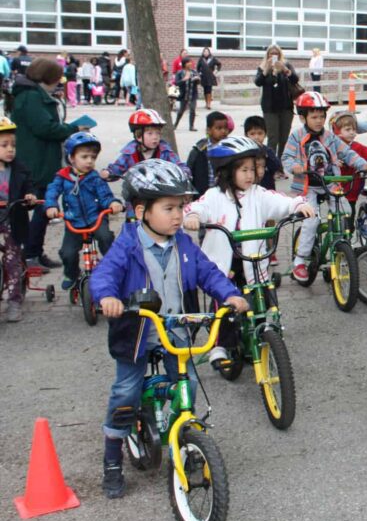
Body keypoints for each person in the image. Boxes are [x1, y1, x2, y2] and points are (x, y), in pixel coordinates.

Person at [90, 160, 248, 499]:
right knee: (126, 393)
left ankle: (184, 440)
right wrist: (107, 298)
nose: (178, 215)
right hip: (136, 335)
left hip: (175, 331)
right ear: (141, 211)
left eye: (180, 207)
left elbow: (208, 272)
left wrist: (231, 295)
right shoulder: (128, 245)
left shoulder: (184, 244)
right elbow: (104, 275)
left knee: (188, 383)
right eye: (169, 208)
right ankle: (113, 457)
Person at [183, 136, 314, 367]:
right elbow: (197, 207)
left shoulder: (258, 194)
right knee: (224, 306)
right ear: (226, 171)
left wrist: (298, 205)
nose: (250, 175)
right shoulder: (215, 196)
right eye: (243, 170)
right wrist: (193, 217)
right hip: (224, 265)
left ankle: (269, 332)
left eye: (252, 169)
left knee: (264, 296)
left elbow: (280, 202)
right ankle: (219, 347)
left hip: (254, 262)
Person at [282, 92, 367, 282]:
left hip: (330, 181)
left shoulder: (329, 137)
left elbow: (347, 153)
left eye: (322, 116)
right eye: (314, 117)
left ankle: (343, 248)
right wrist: (295, 167)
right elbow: (286, 158)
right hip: (308, 185)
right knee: (311, 221)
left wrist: (364, 165)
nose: (319, 121)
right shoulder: (296, 137)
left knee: (345, 212)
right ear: (303, 117)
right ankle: (299, 261)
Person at [10, 58, 86, 272]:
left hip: (41, 158)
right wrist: (73, 127)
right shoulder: (31, 97)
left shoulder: (33, 95)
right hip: (36, 160)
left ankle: (35, 251)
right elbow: (45, 128)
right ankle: (30, 254)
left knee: (45, 207)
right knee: (43, 206)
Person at [45, 133, 124, 289]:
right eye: (84, 157)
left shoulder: (95, 178)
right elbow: (52, 191)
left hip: (96, 218)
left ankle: (113, 269)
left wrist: (114, 203)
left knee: (106, 237)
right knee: (67, 253)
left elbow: (105, 195)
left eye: (93, 157)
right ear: (72, 158)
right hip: (73, 220)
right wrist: (51, 206)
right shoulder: (62, 177)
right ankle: (72, 274)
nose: (89, 161)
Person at [0, 117, 37, 322]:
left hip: (12, 220)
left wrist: (30, 196)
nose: (10, 149)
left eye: (13, 145)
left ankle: (14, 300)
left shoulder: (19, 168)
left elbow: (29, 186)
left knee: (12, 259)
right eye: (4, 145)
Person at [101, 110, 190, 181]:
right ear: (139, 136)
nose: (155, 137)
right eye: (150, 133)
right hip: (136, 192)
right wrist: (109, 172)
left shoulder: (165, 151)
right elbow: (119, 166)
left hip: (160, 192)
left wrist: (184, 172)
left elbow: (178, 164)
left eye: (158, 133)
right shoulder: (130, 152)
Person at [329, 111, 367, 211]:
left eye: (354, 129)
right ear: (335, 130)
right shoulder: (329, 148)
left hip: (351, 194)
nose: (352, 132)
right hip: (333, 192)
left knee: (349, 220)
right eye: (347, 129)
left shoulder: (357, 147)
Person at [256, 45, 300, 159]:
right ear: (267, 55)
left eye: (276, 54)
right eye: (271, 53)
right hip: (270, 108)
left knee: (284, 138)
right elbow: (258, 82)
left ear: (280, 55)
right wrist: (266, 70)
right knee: (273, 138)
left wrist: (285, 70)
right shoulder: (263, 67)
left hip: (286, 107)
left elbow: (295, 79)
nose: (273, 56)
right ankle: (272, 165)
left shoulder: (286, 65)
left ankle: (281, 164)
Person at [186, 111, 231, 196]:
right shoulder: (198, 150)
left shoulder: (230, 149)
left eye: (226, 128)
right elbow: (189, 173)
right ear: (208, 130)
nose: (223, 131)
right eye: (219, 128)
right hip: (202, 195)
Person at [244, 115, 283, 190]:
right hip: (249, 189)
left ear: (265, 134)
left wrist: (265, 154)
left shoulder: (268, 151)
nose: (256, 137)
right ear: (246, 135)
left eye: (260, 133)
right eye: (252, 134)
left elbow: (276, 166)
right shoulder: (244, 152)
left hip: (267, 189)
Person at [173, 58, 202, 131]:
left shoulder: (194, 72)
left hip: (192, 94)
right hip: (184, 95)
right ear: (184, 64)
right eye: (188, 62)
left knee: (192, 109)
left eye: (190, 62)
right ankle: (175, 124)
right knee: (181, 111)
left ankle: (191, 126)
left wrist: (197, 79)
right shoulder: (180, 73)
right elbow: (176, 83)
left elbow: (198, 82)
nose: (190, 64)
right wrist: (184, 79)